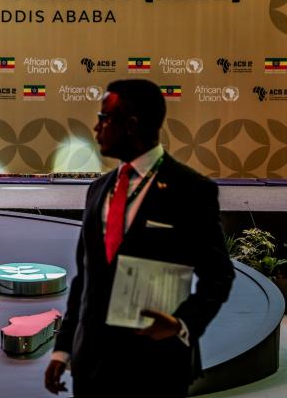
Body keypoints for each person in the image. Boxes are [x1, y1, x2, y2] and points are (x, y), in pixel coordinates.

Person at [44, 79, 235, 397]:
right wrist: (63, 349)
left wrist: (181, 325)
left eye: (104, 118)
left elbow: (219, 276)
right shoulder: (98, 190)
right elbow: (85, 278)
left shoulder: (191, 190)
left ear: (130, 125)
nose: (96, 127)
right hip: (91, 364)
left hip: (155, 366)